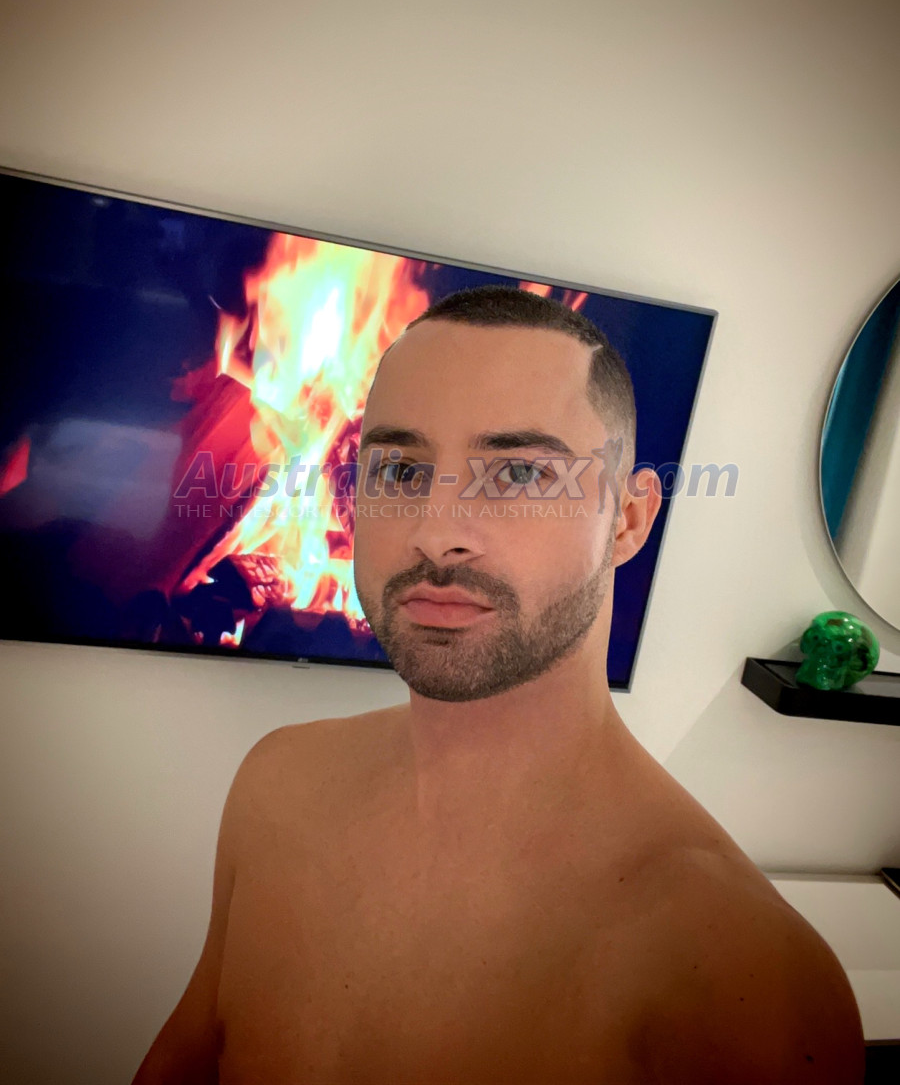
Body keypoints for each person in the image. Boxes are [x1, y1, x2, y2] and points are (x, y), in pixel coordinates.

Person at [133, 288, 864, 1084]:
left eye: (518, 472)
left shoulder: (744, 979)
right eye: (400, 469)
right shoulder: (275, 786)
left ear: (626, 520)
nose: (436, 531)